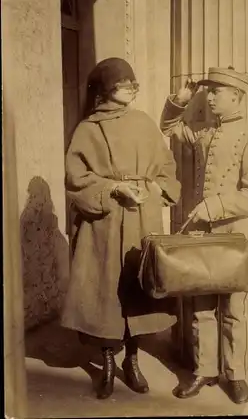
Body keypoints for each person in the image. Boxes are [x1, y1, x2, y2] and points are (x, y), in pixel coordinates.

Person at [61, 57, 181, 399]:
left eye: (134, 84)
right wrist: (113, 188)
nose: (132, 89)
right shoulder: (87, 129)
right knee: (105, 292)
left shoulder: (143, 123)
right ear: (106, 90)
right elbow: (76, 178)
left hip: (142, 217)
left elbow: (166, 166)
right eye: (125, 84)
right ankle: (108, 361)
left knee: (139, 289)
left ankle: (132, 359)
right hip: (105, 222)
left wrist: (157, 188)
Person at [160, 66, 248, 404]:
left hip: (233, 234)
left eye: (217, 91)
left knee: (233, 307)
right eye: (209, 91)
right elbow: (169, 127)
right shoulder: (205, 132)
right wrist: (181, 98)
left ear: (236, 96)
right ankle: (204, 369)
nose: (210, 97)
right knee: (201, 305)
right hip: (203, 235)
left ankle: (235, 374)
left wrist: (214, 206)